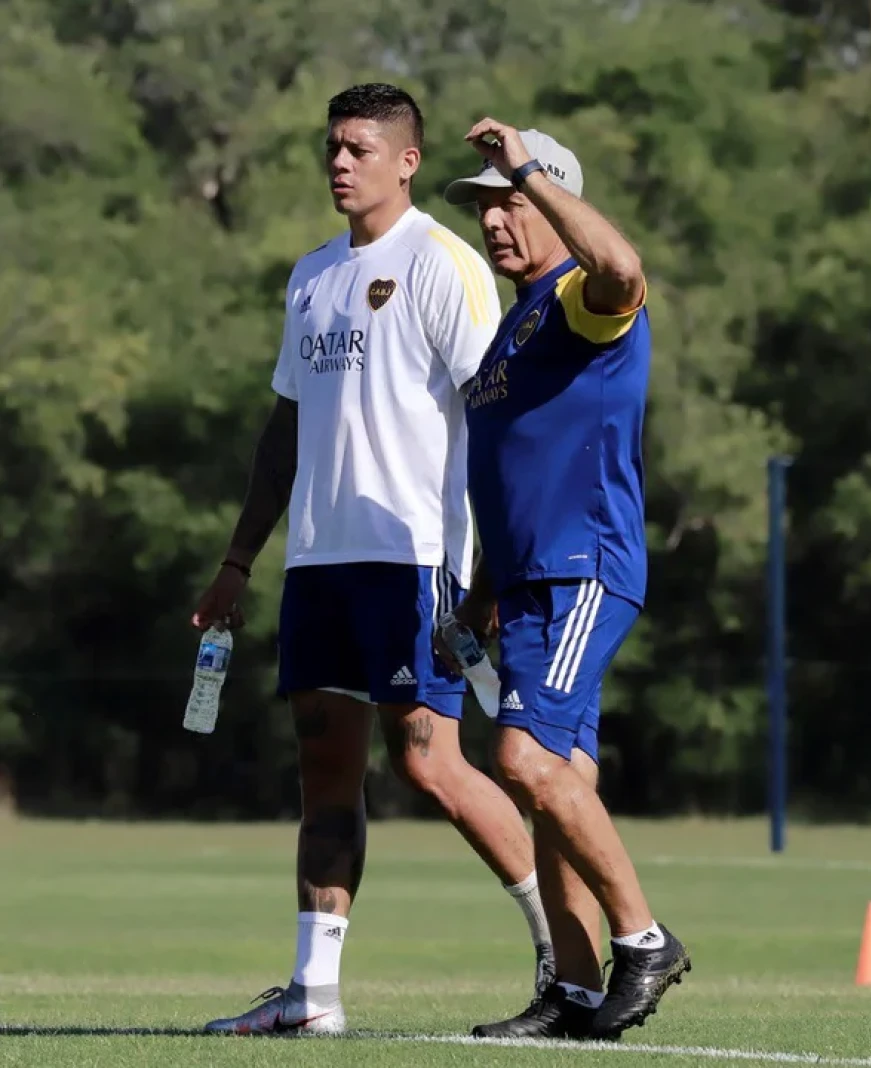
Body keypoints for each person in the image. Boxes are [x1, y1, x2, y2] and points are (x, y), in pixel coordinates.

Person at [191, 85, 555, 1036]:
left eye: (358, 148)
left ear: (404, 160)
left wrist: (490, 566)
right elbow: (287, 426)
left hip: (412, 557)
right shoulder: (310, 276)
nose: (339, 163)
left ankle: (565, 953)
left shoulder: (444, 264)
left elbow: (498, 415)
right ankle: (313, 998)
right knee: (325, 769)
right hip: (319, 562)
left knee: (429, 761)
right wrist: (238, 561)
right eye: (331, 148)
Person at [439, 120, 691, 1041]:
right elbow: (511, 468)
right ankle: (577, 992)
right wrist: (477, 598)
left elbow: (625, 269)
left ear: (551, 197)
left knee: (523, 760)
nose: (495, 220)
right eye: (485, 207)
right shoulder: (518, 321)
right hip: (528, 583)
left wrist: (532, 170)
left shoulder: (583, 296)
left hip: (584, 565)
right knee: (557, 781)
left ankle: (645, 941)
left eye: (509, 201)